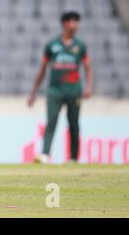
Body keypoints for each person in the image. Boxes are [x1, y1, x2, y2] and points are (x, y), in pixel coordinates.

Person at [28, 11, 93, 163]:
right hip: (55, 90)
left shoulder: (80, 46)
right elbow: (43, 70)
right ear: (65, 23)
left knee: (74, 124)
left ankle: (73, 158)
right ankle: (45, 154)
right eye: (73, 21)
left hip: (74, 90)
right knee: (51, 122)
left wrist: (89, 86)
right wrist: (33, 93)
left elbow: (88, 67)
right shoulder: (52, 45)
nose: (76, 25)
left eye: (77, 21)